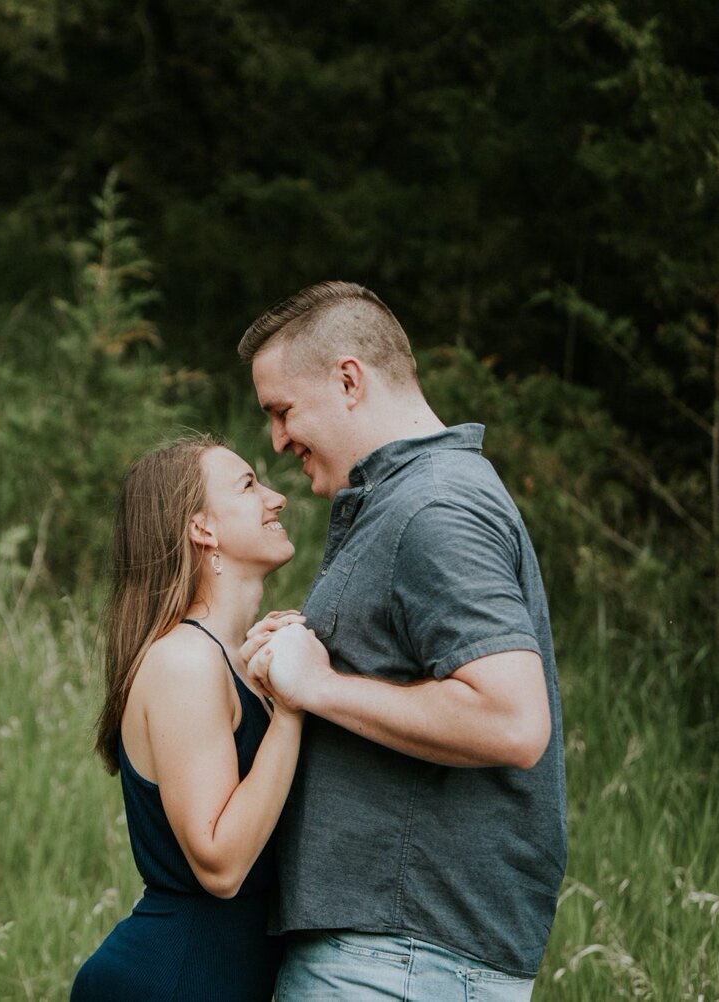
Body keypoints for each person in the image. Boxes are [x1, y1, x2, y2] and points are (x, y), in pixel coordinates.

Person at [237, 281, 567, 1000]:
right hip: (401, 956)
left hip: (399, 963)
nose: (277, 440)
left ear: (348, 379)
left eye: (282, 411)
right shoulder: (406, 501)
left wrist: (319, 685)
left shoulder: (433, 507)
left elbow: (512, 721)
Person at [72, 434, 306, 1001]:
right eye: (249, 485)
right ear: (202, 529)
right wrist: (293, 713)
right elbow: (220, 865)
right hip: (172, 978)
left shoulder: (237, 659)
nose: (275, 498)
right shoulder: (184, 661)